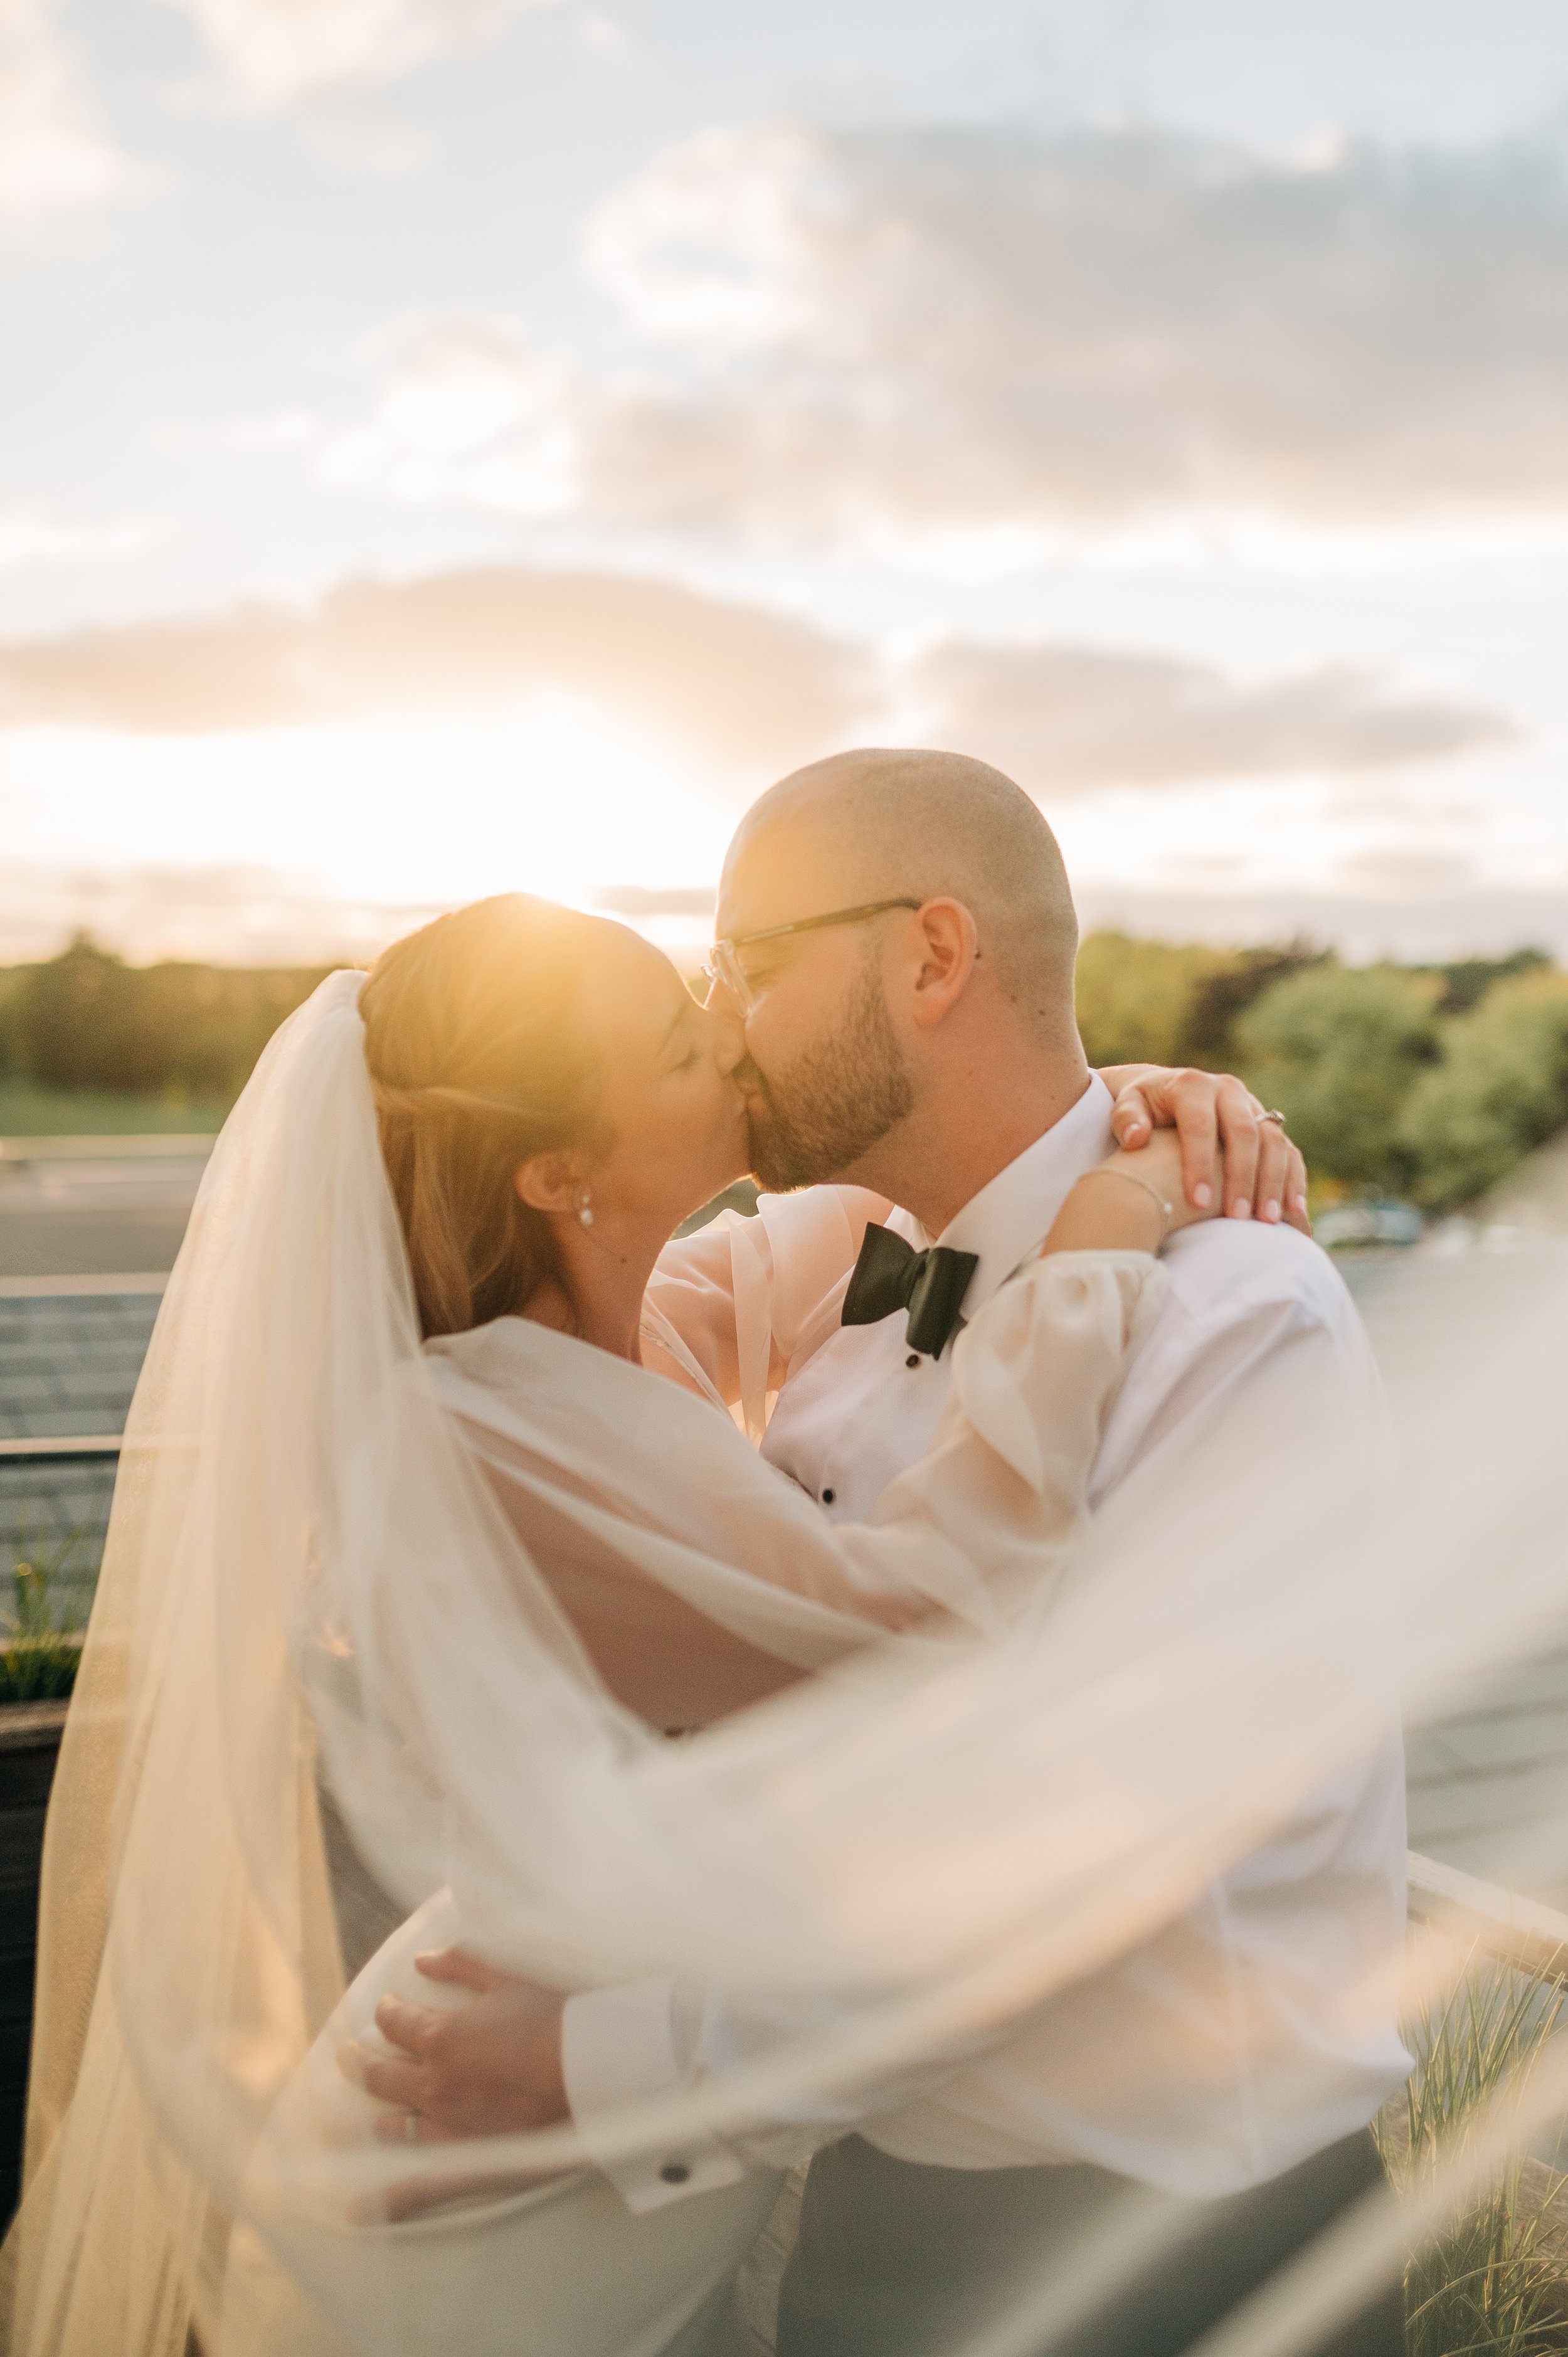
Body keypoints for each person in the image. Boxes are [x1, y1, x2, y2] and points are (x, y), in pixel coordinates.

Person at [0, 822, 1301, 2357]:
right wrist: (1104, 1238)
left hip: (601, 2070)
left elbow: (942, 1164)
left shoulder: (631, 1317)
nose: (739, 1044)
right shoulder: (470, 1430)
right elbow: (925, 1621)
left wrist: (1138, 1102)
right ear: (559, 1167)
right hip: (489, 2119)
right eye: (690, 1038)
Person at [353, 751, 1409, 2357]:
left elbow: (1075, 1855)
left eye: (752, 969)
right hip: (863, 2237)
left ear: (928, 957)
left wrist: (609, 2067)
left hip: (1185, 2264)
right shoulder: (804, 1264)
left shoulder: (1232, 1316)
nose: (719, 1026)